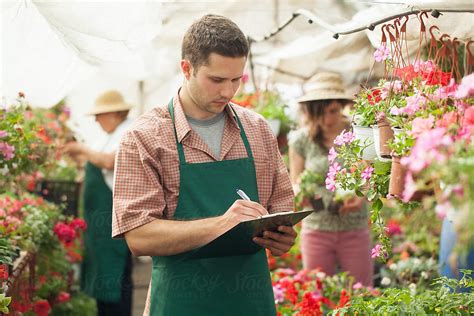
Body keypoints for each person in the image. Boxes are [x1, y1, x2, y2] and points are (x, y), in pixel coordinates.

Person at [111, 14, 296, 316]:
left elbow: (281, 212)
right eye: (217, 80)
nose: (228, 92)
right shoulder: (145, 137)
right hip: (180, 304)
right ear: (187, 68)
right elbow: (138, 236)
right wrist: (222, 224)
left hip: (250, 302)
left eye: (237, 80)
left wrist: (282, 238)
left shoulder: (258, 130)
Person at [288, 72, 373, 286]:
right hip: (316, 229)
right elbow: (295, 182)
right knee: (318, 292)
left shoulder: (358, 134)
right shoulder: (301, 140)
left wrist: (360, 197)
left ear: (342, 106)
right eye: (321, 114)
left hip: (354, 228)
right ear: (311, 112)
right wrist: (303, 194)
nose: (328, 120)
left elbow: (368, 176)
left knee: (361, 292)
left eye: (333, 111)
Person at [64, 90, 134, 316]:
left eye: (99, 115)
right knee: (104, 276)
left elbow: (109, 161)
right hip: (100, 223)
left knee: (114, 276)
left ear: (114, 114)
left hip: (111, 217)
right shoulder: (109, 135)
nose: (95, 120)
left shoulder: (128, 132)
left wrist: (81, 149)